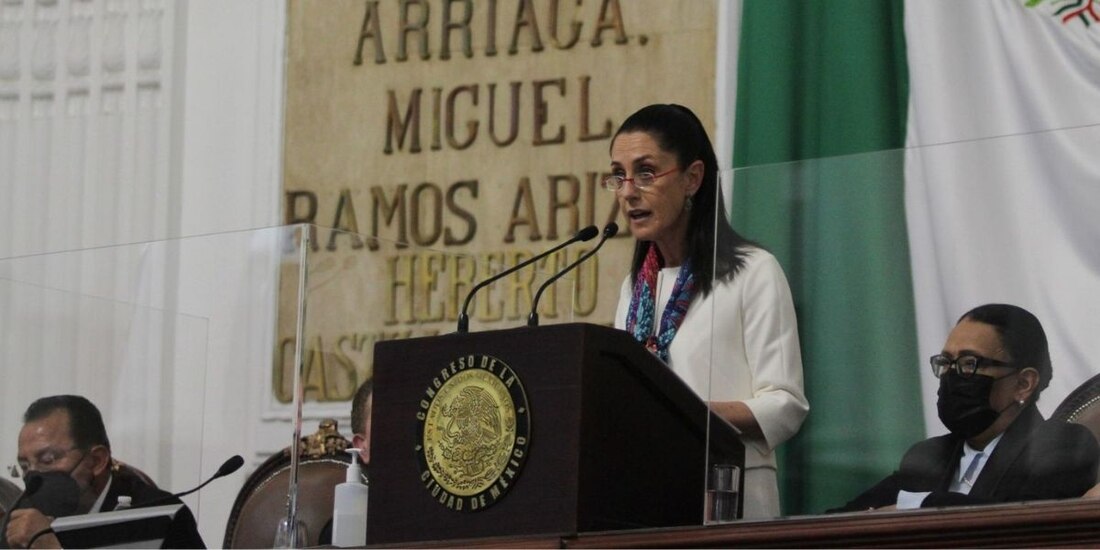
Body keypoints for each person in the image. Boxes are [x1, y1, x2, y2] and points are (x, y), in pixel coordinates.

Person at [608, 103, 809, 519]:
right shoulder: (635, 289)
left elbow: (786, 404)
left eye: (645, 173)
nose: (628, 192)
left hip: (729, 495)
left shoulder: (753, 272)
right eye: (619, 176)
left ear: (693, 178)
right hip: (647, 497)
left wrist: (689, 416)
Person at [830, 304, 1099, 512]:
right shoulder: (928, 456)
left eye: (969, 364)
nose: (952, 376)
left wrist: (916, 506)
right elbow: (839, 521)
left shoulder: (1061, 445)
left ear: (1023, 384)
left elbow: (1015, 520)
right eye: (946, 363)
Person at [3, 395, 205, 548]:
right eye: (25, 466)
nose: (33, 476)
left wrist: (51, 547)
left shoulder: (156, 518)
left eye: (48, 460)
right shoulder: (24, 519)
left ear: (96, 461)